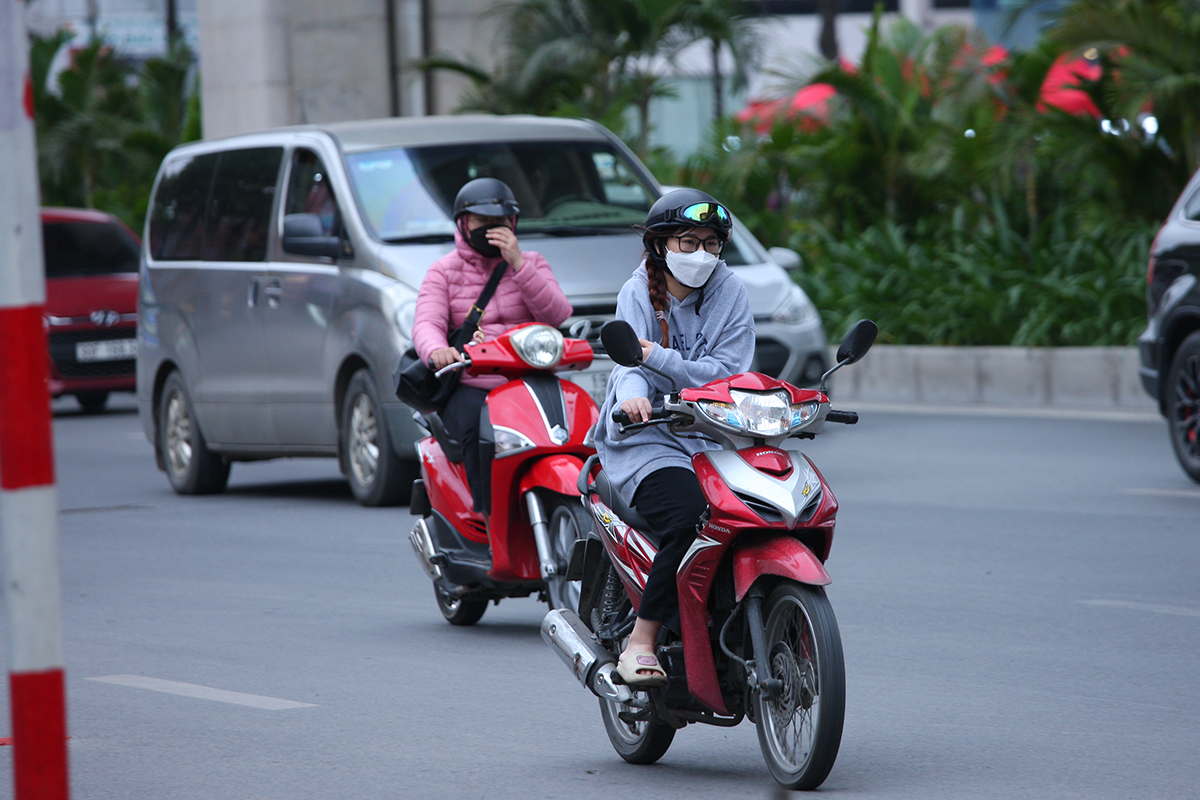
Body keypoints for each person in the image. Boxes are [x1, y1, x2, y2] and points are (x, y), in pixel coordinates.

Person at [592, 188, 756, 686]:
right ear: (661, 245)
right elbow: (628, 367)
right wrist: (633, 397)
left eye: (711, 243)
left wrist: (657, 357)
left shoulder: (730, 290)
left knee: (754, 515)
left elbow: (728, 373)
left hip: (709, 437)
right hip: (644, 438)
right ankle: (641, 641)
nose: (702, 254)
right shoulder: (637, 290)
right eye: (689, 242)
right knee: (687, 515)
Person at [411, 177, 572, 512]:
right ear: (463, 224)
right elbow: (427, 323)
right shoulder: (443, 272)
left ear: (512, 224)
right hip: (473, 383)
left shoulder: (532, 262)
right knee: (476, 427)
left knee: (571, 427)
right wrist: (437, 351)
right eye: (482, 222)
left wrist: (518, 264)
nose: (491, 230)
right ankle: (487, 514)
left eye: (499, 223)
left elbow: (557, 315)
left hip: (530, 378)